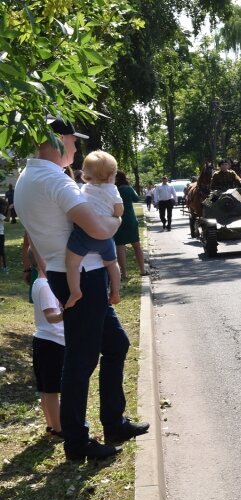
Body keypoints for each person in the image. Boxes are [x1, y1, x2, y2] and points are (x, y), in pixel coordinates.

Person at [14, 117, 148, 462]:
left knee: (115, 343)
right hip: (83, 276)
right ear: (58, 140)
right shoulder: (54, 180)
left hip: (71, 272)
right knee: (81, 358)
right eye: (73, 142)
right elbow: (101, 230)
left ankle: (113, 421)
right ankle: (77, 441)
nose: (76, 149)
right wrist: (117, 221)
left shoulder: (27, 178)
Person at [64, 151, 123, 309]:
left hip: (84, 235)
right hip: (105, 240)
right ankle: (116, 291)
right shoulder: (113, 190)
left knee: (72, 265)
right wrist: (115, 215)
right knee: (112, 263)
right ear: (111, 175)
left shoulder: (82, 189)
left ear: (85, 175)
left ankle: (75, 291)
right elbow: (119, 211)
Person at [29, 253, 66, 438]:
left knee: (45, 388)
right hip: (52, 342)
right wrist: (68, 311)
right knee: (51, 390)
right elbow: (51, 316)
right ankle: (59, 429)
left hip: (44, 341)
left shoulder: (39, 283)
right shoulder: (45, 286)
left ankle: (51, 425)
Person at [114, 171, 146, 278]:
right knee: (137, 246)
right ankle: (142, 270)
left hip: (118, 219)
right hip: (131, 219)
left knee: (120, 246)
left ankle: (124, 273)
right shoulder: (127, 188)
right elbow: (136, 198)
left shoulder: (113, 190)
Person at [0, 198, 6, 273]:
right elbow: (7, 219)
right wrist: (9, 210)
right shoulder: (0, 215)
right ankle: (4, 267)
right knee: (2, 252)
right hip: (0, 234)